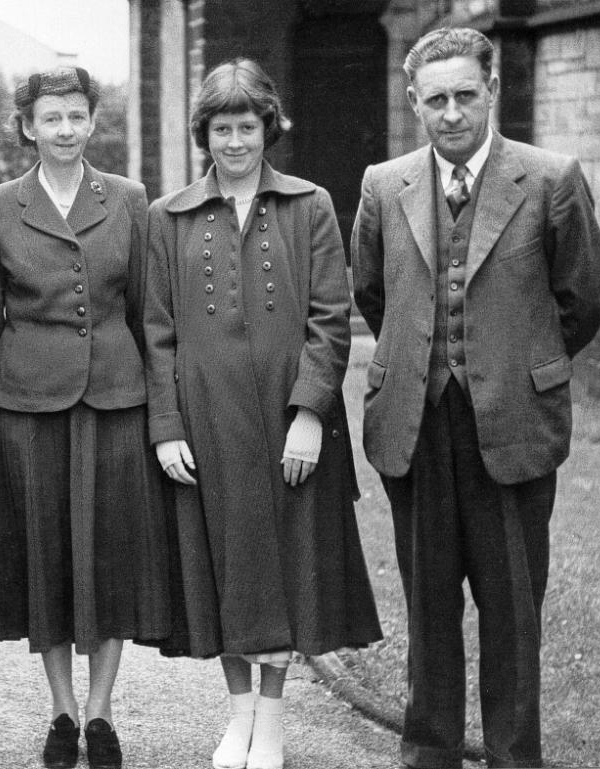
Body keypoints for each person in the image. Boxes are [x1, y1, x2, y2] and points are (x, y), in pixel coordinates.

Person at [351, 27, 600, 769]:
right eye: (437, 99)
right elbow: (377, 296)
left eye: (467, 95)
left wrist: (513, 362)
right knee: (429, 604)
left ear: (491, 91)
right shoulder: (382, 184)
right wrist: (428, 360)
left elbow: (580, 301)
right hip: (416, 423)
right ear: (414, 103)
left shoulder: (551, 178)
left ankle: (513, 754)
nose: (453, 112)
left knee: (512, 610)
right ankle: (430, 748)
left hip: (515, 425)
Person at [145, 58, 382, 769]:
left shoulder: (309, 205)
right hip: (206, 421)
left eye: (247, 126)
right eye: (222, 128)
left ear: (268, 127)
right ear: (205, 133)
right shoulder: (170, 216)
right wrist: (166, 426)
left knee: (286, 566)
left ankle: (272, 722)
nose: (236, 142)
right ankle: (238, 715)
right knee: (223, 563)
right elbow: (155, 329)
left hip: (289, 426)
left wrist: (310, 412)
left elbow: (330, 319)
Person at [0, 67, 171, 769]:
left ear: (92, 122)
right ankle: (60, 711)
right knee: (44, 558)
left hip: (114, 403)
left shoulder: (130, 199)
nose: (63, 129)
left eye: (75, 116)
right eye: (49, 118)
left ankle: (102, 713)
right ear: (28, 125)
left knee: (111, 555)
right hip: (25, 408)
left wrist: (159, 410)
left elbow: (147, 311)